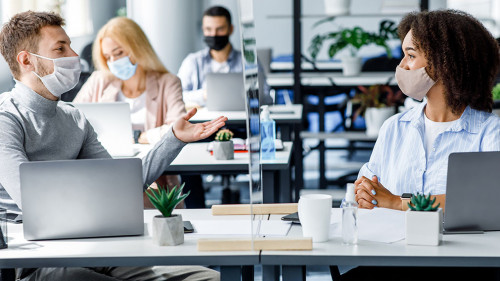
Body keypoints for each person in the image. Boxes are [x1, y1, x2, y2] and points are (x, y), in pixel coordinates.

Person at [0, 11, 225, 281]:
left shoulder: (74, 118)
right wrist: (96, 200)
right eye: (60, 48)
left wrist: (174, 138)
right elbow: (35, 204)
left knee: (205, 278)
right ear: (26, 60)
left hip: (90, 247)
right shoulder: (6, 119)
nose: (74, 56)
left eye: (70, 45)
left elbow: (122, 183)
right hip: (36, 260)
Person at [341, 9, 500, 281]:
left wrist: (397, 202)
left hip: (464, 268)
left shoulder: (489, 133)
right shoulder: (394, 128)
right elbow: (365, 196)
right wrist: (364, 194)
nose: (402, 65)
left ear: (444, 63)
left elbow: (485, 206)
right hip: (391, 261)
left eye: (411, 55)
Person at [74, 17, 185, 191]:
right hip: (104, 170)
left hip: (153, 179)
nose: (113, 62)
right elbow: (72, 118)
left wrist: (139, 136)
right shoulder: (99, 80)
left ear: (137, 47)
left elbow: (178, 128)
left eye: (118, 53)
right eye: (107, 57)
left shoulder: (168, 82)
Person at [177, 5, 242, 109]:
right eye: (208, 29)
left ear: (231, 29)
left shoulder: (247, 62)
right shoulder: (193, 62)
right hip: (202, 123)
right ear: (203, 30)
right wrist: (204, 95)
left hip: (238, 122)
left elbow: (265, 96)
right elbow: (176, 96)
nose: (214, 34)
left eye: (220, 29)